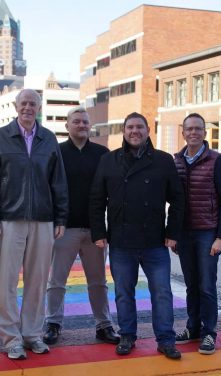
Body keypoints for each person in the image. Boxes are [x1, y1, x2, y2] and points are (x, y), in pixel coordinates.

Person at [90, 112, 184, 360]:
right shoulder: (109, 160)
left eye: (139, 127)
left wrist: (173, 233)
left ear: (148, 130)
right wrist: (99, 233)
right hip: (121, 240)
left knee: (162, 292)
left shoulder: (164, 161)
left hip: (155, 240)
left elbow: (177, 199)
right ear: (124, 130)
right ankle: (127, 336)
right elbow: (97, 200)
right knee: (123, 292)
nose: (135, 131)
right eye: (130, 127)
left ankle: (165, 339)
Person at [0, 89, 68, 360]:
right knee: (7, 281)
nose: (28, 108)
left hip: (43, 220)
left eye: (33, 103)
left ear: (39, 107)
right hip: (9, 220)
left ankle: (32, 334)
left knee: (37, 280)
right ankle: (11, 338)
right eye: (24, 103)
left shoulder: (49, 139)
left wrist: (61, 218)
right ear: (15, 106)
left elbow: (59, 182)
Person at [43, 107, 119, 346]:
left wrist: (107, 229)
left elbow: (112, 192)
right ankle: (53, 323)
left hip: (95, 230)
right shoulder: (56, 152)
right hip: (64, 228)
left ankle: (104, 324)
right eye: (76, 122)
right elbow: (48, 189)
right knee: (56, 281)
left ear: (90, 126)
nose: (81, 125)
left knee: (98, 282)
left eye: (85, 122)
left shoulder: (103, 154)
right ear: (67, 126)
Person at [173, 113, 221, 355]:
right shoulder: (176, 160)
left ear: (205, 133)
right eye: (189, 129)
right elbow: (173, 200)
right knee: (191, 285)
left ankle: (209, 333)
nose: (193, 132)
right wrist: (173, 233)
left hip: (208, 232)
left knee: (207, 285)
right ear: (183, 132)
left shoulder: (216, 160)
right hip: (185, 234)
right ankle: (193, 327)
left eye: (198, 128)